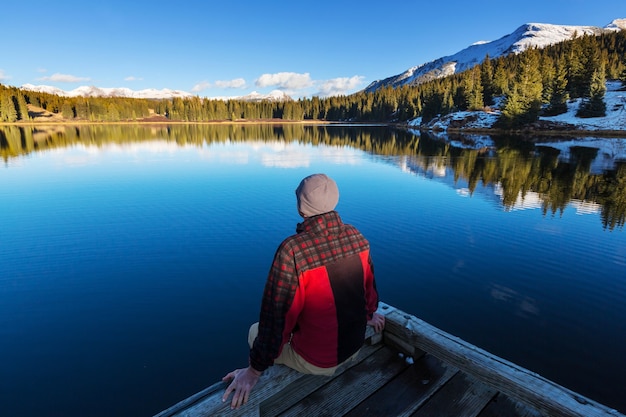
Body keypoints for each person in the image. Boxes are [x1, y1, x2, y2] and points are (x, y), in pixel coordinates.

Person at [222, 173, 385, 410]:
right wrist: (369, 315)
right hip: (354, 345)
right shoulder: (357, 237)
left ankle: (261, 373)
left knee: (255, 331)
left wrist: (253, 371)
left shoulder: (293, 251)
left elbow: (276, 319)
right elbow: (368, 290)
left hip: (319, 361)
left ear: (301, 209)